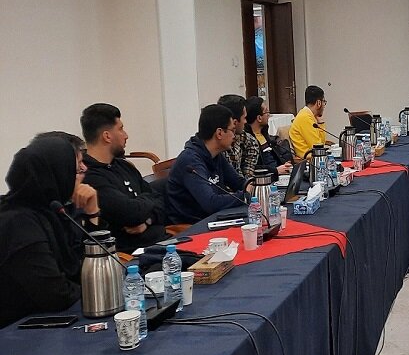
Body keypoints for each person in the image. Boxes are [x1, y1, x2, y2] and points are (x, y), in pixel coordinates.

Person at [0, 137, 101, 327]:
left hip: (48, 320)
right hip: (16, 331)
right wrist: (96, 288)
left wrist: (92, 213)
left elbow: (87, 267)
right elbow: (57, 295)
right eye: (76, 169)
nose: (84, 172)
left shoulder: (53, 211)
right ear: (56, 174)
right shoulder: (18, 223)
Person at [80, 103, 168, 252]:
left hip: (164, 241)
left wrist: (147, 221)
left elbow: (161, 202)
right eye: (120, 129)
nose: (126, 135)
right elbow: (131, 214)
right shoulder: (90, 177)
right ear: (107, 136)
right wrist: (148, 200)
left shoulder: (124, 166)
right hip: (133, 254)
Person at [166, 104, 249, 224]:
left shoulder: (216, 155)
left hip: (214, 218)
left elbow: (238, 182)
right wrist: (246, 195)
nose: (234, 136)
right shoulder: (190, 161)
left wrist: (256, 186)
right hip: (191, 226)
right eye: (232, 130)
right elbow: (211, 203)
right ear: (219, 133)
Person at [246, 96, 293, 179]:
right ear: (259, 118)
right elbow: (251, 167)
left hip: (278, 176)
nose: (269, 115)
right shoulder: (248, 140)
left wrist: (284, 165)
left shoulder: (265, 135)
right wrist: (276, 170)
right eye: (266, 112)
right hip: (264, 179)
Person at [218, 94, 259, 181]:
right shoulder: (218, 147)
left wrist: (246, 183)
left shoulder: (246, 138)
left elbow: (244, 178)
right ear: (235, 122)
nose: (246, 121)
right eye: (244, 118)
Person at [289, 85, 330, 161]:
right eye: (324, 102)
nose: (324, 105)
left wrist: (321, 123)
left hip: (317, 157)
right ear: (318, 103)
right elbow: (317, 146)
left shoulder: (310, 115)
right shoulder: (305, 117)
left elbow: (322, 143)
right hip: (309, 161)